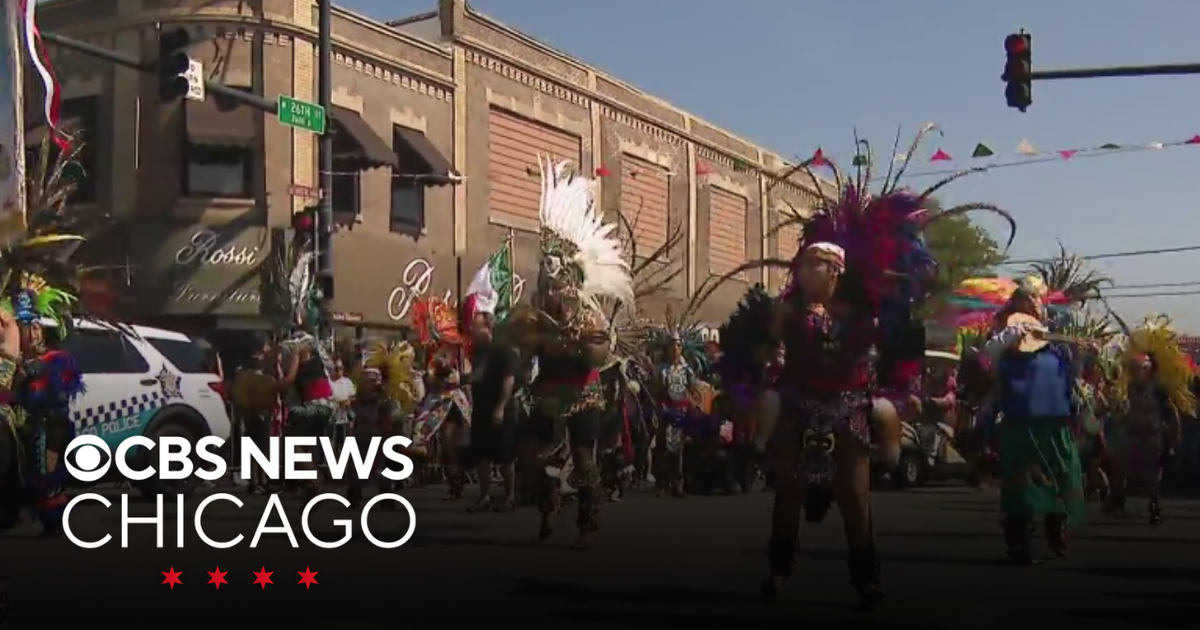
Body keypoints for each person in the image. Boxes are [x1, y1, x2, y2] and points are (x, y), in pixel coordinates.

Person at [728, 131, 1012, 608]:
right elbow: (750, 348)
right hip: (797, 405)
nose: (804, 270)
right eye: (804, 263)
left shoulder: (864, 317)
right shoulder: (785, 311)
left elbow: (900, 347)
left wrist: (901, 388)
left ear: (835, 271)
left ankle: (866, 577)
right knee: (787, 496)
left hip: (848, 411)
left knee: (857, 502)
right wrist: (752, 374)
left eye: (815, 264)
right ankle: (779, 569)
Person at [511, 158, 634, 551]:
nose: (548, 278)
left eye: (554, 270)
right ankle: (547, 508)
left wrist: (586, 343)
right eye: (544, 269)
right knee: (531, 456)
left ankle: (589, 524)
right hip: (547, 397)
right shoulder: (536, 311)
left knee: (583, 460)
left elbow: (598, 355)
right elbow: (520, 344)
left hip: (583, 398)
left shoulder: (587, 314)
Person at [982, 277, 1085, 562]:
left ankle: (1056, 531)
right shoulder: (1006, 335)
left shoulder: (1054, 340)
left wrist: (1080, 353)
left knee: (1062, 478)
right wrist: (1012, 333)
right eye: (1031, 298)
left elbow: (1071, 375)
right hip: (1020, 422)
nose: (1036, 303)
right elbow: (987, 355)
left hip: (1056, 421)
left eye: (1038, 298)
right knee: (1020, 488)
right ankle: (1019, 544)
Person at [1106, 318, 1192, 524]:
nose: (1136, 373)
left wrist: (1174, 438)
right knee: (1121, 468)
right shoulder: (1128, 389)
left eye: (1140, 369)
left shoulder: (1159, 390)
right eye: (1133, 369)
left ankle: (1155, 506)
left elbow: (1172, 414)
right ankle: (1117, 498)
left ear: (1149, 369)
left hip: (1153, 439)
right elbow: (1122, 412)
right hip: (1131, 436)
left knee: (1152, 475)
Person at [466, 312, 519, 513]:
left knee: (505, 456)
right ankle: (484, 496)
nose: (472, 329)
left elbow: (508, 380)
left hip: (501, 410)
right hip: (480, 408)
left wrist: (500, 408)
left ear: (488, 328)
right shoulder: (479, 352)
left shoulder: (504, 350)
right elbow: (477, 377)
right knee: (482, 455)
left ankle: (509, 496)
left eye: (476, 326)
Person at [278, 334, 336, 497]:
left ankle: (315, 480)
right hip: (325, 407)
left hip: (316, 407)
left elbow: (288, 381)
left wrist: (294, 358)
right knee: (303, 444)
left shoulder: (306, 363)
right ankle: (310, 482)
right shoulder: (318, 364)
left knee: (290, 439)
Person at [232, 339, 281, 495]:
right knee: (258, 450)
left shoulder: (263, 376)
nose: (259, 358)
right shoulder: (249, 377)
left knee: (259, 449)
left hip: (259, 414)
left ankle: (259, 482)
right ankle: (258, 482)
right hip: (255, 415)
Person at [329, 358, 357, 449]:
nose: (338, 370)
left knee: (345, 446)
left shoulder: (347, 382)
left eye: (340, 368)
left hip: (344, 420)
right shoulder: (328, 382)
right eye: (336, 368)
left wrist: (348, 402)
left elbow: (353, 397)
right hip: (331, 421)